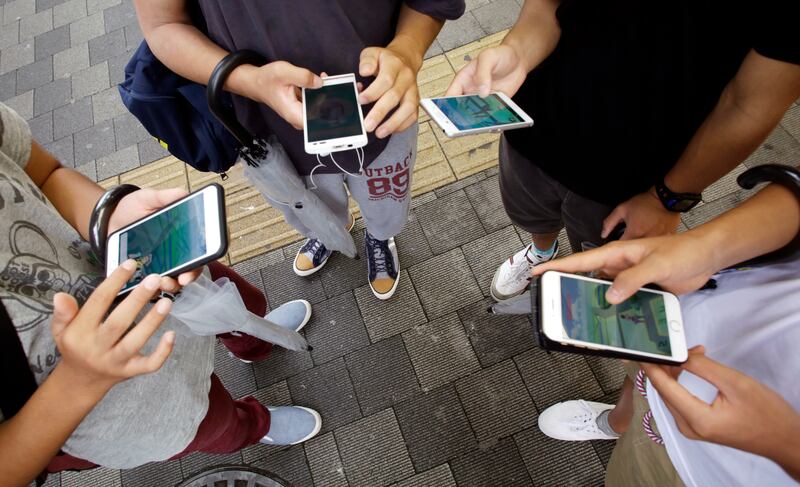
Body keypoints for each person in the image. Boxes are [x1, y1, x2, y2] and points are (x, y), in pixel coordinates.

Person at [0, 101, 321, 483]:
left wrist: (108, 216)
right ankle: (254, 423)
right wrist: (80, 382)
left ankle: (257, 340)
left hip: (140, 264)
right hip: (109, 403)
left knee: (241, 303)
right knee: (212, 422)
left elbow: (43, 171)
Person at [445, 0, 800, 301]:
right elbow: (548, 6)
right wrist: (516, 53)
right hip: (533, 128)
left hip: (636, 176)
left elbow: (749, 105)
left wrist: (668, 197)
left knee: (604, 256)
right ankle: (541, 252)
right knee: (532, 215)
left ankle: (590, 284)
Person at [135, 0, 465, 300]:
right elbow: (163, 24)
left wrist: (407, 50)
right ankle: (328, 231)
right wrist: (249, 81)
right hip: (268, 122)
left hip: (379, 103)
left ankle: (380, 237)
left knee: (386, 199)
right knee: (309, 202)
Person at [531, 183, 800, 486]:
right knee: (637, 378)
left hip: (702, 467)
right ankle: (617, 422)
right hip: (684, 315)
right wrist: (707, 248)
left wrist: (785, 444)